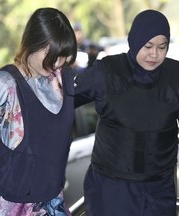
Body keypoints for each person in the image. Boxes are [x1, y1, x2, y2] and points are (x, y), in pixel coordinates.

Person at [0, 7, 77, 216]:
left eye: (63, 56)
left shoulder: (64, 80)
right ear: (32, 43)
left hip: (51, 202)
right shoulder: (2, 85)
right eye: (52, 55)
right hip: (8, 205)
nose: (58, 63)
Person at [74, 9, 179, 215]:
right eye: (147, 46)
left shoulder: (175, 76)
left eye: (162, 47)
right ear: (135, 40)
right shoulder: (106, 72)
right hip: (111, 189)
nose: (154, 54)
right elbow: (59, 102)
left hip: (159, 190)